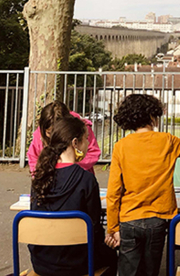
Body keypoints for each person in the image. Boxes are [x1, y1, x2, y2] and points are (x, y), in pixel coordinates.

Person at [106, 93, 180, 276]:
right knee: (151, 270)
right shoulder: (168, 140)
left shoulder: (121, 146)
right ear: (152, 117)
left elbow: (114, 192)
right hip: (158, 218)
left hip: (129, 218)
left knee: (128, 271)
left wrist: (113, 228)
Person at [29, 115, 116, 276]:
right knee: (113, 256)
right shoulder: (86, 179)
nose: (88, 145)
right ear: (75, 143)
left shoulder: (40, 177)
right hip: (78, 263)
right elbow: (94, 227)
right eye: (86, 139)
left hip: (42, 262)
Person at [27, 101, 101, 176]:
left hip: (78, 177)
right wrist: (37, 176)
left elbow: (93, 152)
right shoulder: (40, 132)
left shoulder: (82, 129)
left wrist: (70, 168)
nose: (53, 137)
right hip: (48, 180)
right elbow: (33, 156)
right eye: (49, 133)